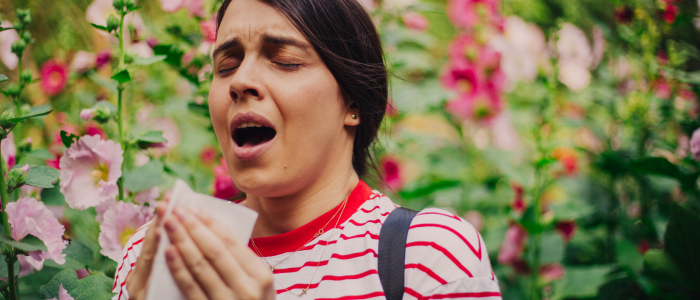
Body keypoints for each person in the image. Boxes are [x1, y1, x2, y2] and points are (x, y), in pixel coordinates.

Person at [113, 0, 502, 299]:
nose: (241, 81)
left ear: (352, 102)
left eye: (284, 60)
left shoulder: (427, 255)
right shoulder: (153, 256)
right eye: (227, 65)